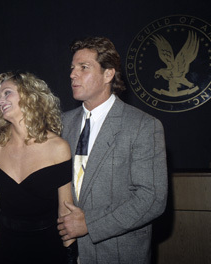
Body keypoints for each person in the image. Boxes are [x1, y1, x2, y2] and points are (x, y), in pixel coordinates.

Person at [57, 37, 168, 263]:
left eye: (83, 68)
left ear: (108, 74)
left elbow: (152, 198)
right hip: (67, 253)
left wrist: (90, 224)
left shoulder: (142, 125)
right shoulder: (61, 124)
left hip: (118, 253)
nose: (72, 74)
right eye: (72, 68)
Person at [0, 71, 77, 264]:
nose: (0, 101)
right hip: (4, 245)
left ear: (29, 96)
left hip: (47, 247)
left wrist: (70, 253)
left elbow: (65, 209)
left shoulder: (58, 148)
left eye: (7, 93)